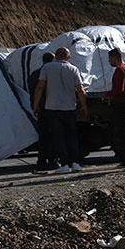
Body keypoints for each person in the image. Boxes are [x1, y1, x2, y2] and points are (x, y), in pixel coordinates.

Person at [33, 47, 86, 175]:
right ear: (68, 57)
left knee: (58, 137)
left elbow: (40, 87)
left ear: (56, 56)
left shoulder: (47, 68)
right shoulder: (73, 69)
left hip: (53, 108)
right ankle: (75, 163)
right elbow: (80, 89)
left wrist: (36, 105)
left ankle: (64, 164)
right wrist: (84, 106)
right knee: (72, 136)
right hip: (69, 108)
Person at [103, 48, 125, 167]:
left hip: (122, 104)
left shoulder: (120, 70)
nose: (109, 61)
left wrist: (106, 94)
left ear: (114, 58)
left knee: (124, 132)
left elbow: (118, 89)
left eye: (109, 59)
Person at [28, 52, 57, 172]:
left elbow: (32, 92)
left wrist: (34, 107)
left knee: (43, 137)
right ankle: (52, 160)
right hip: (52, 108)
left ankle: (41, 161)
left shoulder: (34, 74)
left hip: (40, 109)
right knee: (53, 136)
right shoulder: (52, 74)